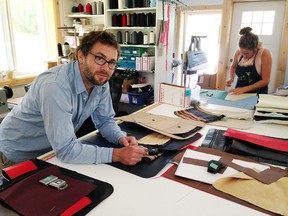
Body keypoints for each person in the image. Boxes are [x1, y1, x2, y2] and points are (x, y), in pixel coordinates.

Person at [0, 31, 147, 170]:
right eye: (99, 58)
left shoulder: (100, 82)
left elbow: (105, 121)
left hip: (50, 153)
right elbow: (66, 150)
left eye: (112, 62)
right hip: (14, 154)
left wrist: (121, 138)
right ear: (81, 56)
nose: (106, 68)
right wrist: (117, 155)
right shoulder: (56, 86)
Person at [226, 27, 272, 94]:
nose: (244, 56)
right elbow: (233, 67)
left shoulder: (264, 53)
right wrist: (231, 78)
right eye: (242, 52)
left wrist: (244, 89)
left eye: (247, 53)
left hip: (258, 92)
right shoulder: (238, 52)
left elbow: (265, 80)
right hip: (240, 89)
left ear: (255, 49)